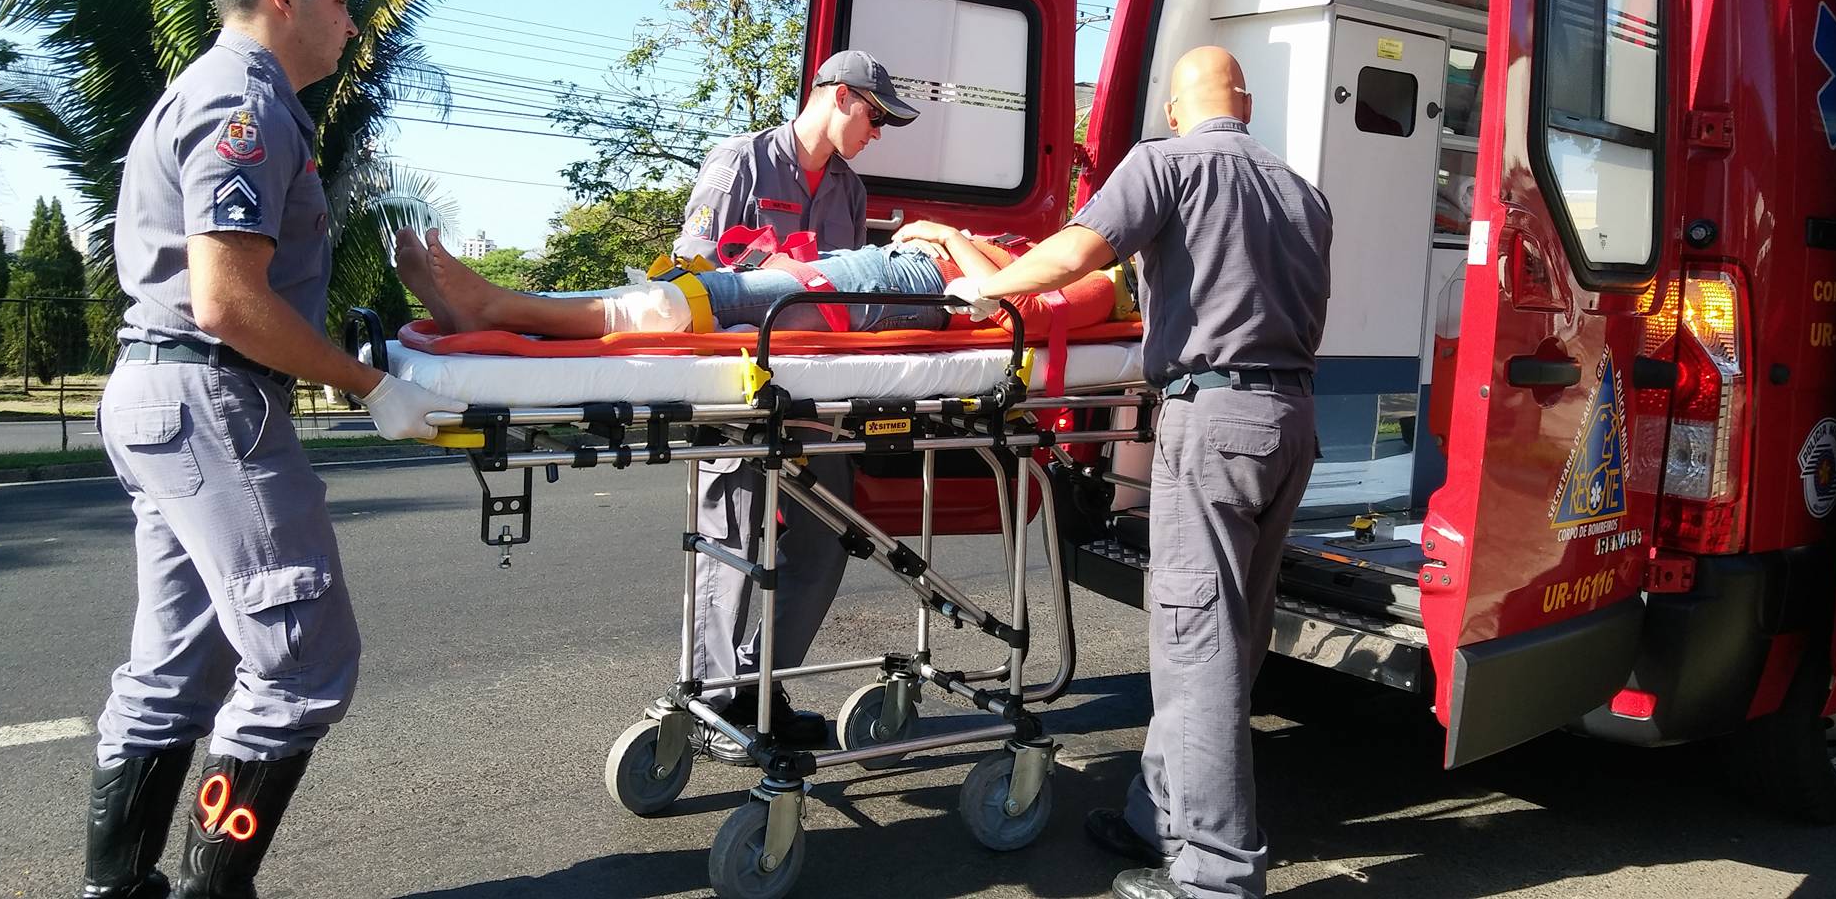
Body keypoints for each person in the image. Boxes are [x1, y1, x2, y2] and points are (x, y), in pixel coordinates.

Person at [82, 0, 463, 899]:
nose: (352, 26)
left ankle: (115, 888)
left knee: (177, 672)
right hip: (214, 392)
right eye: (339, 3)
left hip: (162, 392)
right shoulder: (245, 103)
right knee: (301, 661)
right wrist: (372, 385)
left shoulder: (217, 95)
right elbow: (229, 300)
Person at [951, 46, 1332, 899]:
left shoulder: (1168, 163)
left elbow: (1075, 254)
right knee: (1226, 636)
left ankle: (1215, 875)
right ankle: (1157, 813)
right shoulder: (1302, 193)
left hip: (1215, 422)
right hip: (1292, 421)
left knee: (1194, 642)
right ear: (1248, 103)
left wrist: (985, 293)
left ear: (1173, 110)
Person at [670, 49, 918, 763]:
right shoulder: (742, 161)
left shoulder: (850, 191)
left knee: (821, 545)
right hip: (743, 394)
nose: (877, 133)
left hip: (816, 401)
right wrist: (759, 268)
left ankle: (760, 684)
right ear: (839, 97)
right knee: (729, 541)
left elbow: (848, 298)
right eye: (874, 116)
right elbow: (690, 264)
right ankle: (716, 703)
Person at [390, 220, 1118, 339]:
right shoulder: (1098, 270)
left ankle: (497, 307)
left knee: (727, 300)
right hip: (904, 279)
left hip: (917, 284)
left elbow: (1015, 305)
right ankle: (507, 309)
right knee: (716, 292)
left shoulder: (1104, 286)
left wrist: (948, 234)